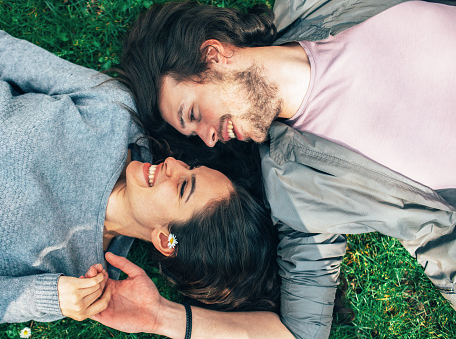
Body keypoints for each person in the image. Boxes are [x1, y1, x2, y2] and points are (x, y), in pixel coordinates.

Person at [98, 0, 456, 338]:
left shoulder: (310, 5)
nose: (208, 141)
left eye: (192, 114)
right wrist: (162, 317)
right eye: (192, 133)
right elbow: (300, 333)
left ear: (214, 55)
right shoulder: (296, 192)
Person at [0, 10, 280, 336]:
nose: (173, 165)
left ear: (165, 239)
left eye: (183, 187)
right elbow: (3, 54)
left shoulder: (80, 279)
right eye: (190, 167)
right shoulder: (115, 113)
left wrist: (47, 297)